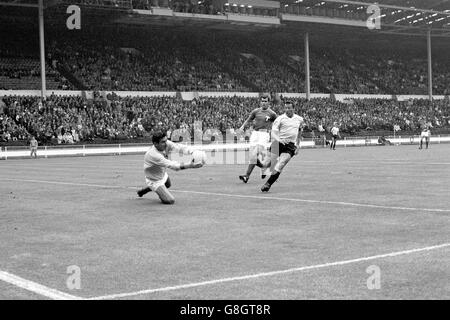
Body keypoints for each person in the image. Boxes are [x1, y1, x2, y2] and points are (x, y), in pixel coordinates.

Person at [136, 131, 203, 204]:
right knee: (170, 200)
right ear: (155, 144)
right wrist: (190, 165)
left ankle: (146, 190)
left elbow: (179, 147)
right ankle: (156, 190)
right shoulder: (153, 155)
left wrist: (193, 151)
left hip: (162, 173)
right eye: (163, 142)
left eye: (166, 140)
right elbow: (174, 166)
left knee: (168, 184)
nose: (166, 144)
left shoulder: (166, 143)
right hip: (154, 180)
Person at [260, 100, 305, 192]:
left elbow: (300, 132)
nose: (287, 109)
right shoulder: (280, 119)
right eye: (286, 108)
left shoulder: (299, 119)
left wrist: (298, 145)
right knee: (266, 164)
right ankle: (265, 168)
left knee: (281, 163)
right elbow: (273, 132)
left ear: (293, 108)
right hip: (278, 143)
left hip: (290, 145)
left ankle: (268, 184)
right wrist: (278, 139)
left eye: (289, 108)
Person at [238, 94, 277, 183]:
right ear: (260, 102)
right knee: (252, 157)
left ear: (269, 102)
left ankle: (247, 175)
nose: (263, 103)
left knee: (255, 154)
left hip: (264, 134)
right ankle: (263, 167)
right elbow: (248, 119)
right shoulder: (256, 111)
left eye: (265, 101)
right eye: (262, 101)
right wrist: (242, 127)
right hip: (255, 134)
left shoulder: (272, 113)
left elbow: (278, 123)